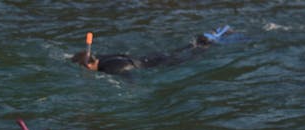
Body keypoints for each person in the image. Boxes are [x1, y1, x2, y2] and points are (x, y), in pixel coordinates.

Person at [71, 25, 235, 75]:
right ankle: (206, 37)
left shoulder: (109, 67)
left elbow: (126, 75)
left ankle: (210, 42)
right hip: (149, 57)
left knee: (190, 56)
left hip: (156, 64)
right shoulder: (102, 58)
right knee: (183, 50)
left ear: (88, 65)